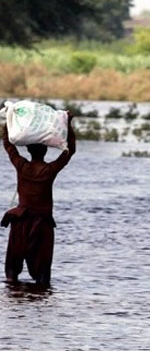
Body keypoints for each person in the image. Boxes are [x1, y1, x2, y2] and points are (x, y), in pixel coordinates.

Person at [2, 112, 76, 286]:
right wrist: (69, 123)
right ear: (45, 151)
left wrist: (9, 120)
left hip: (21, 221)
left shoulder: (22, 166)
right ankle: (41, 302)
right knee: (42, 271)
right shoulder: (49, 170)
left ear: (28, 150)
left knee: (13, 267)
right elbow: (70, 151)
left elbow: (8, 145)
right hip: (42, 224)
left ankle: (14, 296)